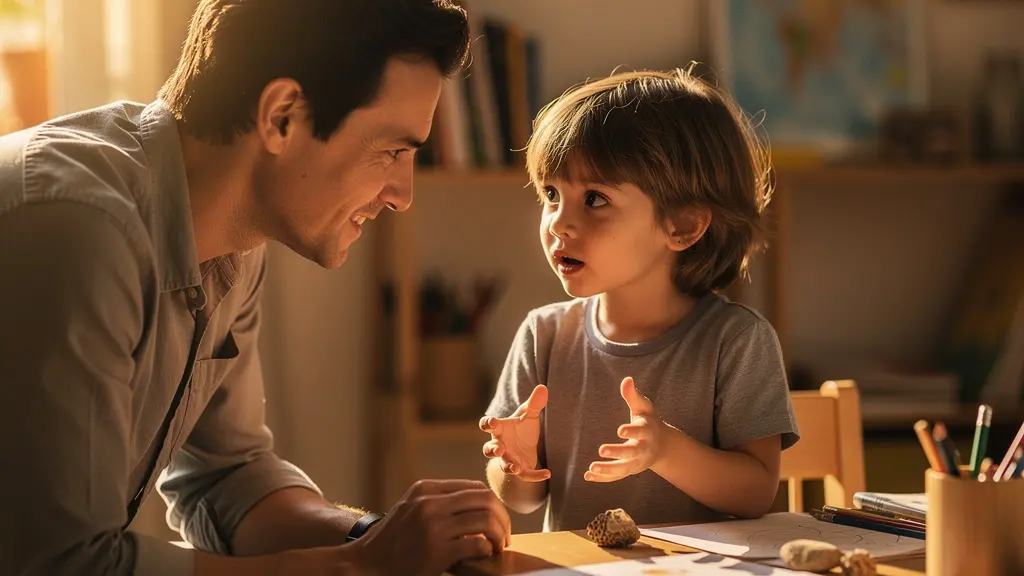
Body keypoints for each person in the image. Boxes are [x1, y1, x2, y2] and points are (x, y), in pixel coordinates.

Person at [0, 1, 511, 575]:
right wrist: (362, 566)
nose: (402, 195)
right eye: (392, 151)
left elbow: (227, 477)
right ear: (282, 117)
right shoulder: (78, 228)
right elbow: (64, 564)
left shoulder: (233, 242)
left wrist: (377, 536)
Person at [479, 67, 802, 533]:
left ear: (683, 226)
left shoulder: (737, 341)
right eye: (551, 194)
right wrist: (516, 463)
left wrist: (666, 451)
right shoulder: (542, 334)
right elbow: (523, 499)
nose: (558, 223)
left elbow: (756, 493)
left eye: (594, 199)